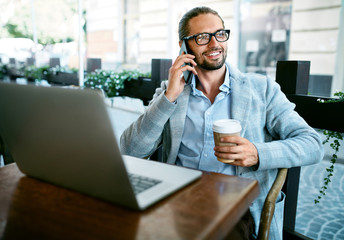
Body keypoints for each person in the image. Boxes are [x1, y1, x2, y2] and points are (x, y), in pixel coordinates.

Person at [120, 6, 324, 240]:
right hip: (177, 199)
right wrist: (168, 98)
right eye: (202, 37)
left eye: (220, 34)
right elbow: (130, 151)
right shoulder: (171, 92)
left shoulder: (261, 89)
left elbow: (312, 144)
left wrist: (258, 153)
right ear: (183, 46)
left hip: (237, 206)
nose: (215, 43)